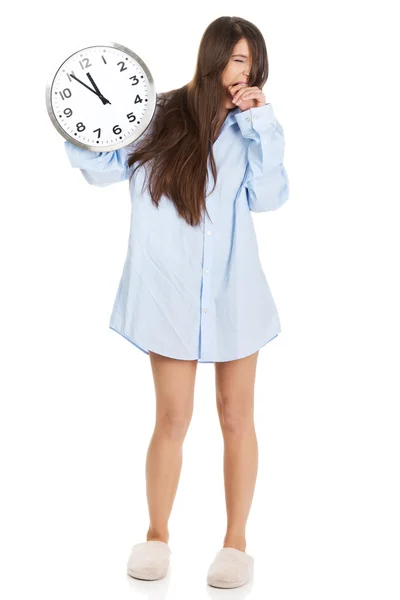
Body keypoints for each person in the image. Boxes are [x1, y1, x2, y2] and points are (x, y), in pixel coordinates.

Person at [64, 15, 289, 589]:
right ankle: (157, 535)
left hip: (234, 294)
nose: (246, 72)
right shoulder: (158, 115)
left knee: (237, 418)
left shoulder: (252, 130)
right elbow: (99, 169)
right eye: (239, 59)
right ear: (213, 57)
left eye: (253, 63)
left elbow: (269, 197)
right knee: (172, 418)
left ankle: (235, 545)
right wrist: (83, 121)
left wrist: (263, 122)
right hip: (168, 294)